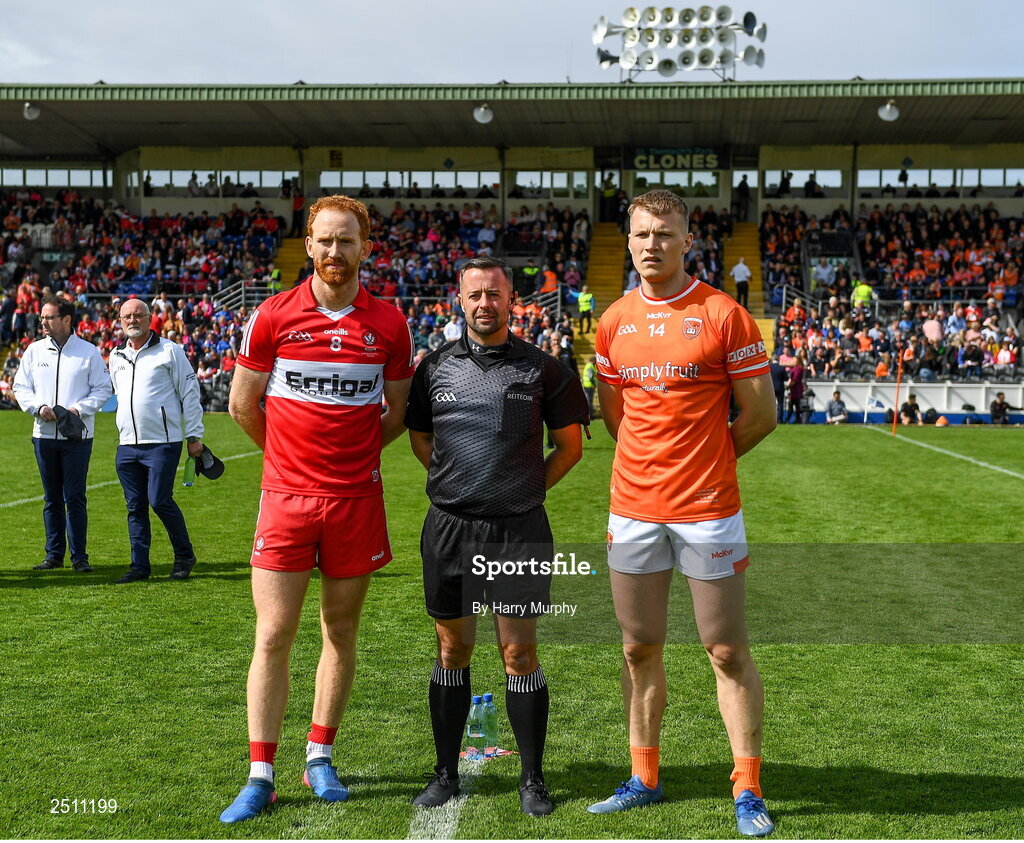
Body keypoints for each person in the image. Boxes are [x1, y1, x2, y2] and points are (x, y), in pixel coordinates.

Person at [221, 195, 414, 823]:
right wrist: (288, 464)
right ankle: (260, 773)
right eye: (325, 241)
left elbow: (396, 413)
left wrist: (350, 458)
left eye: (347, 241)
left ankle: (320, 755)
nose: (336, 252)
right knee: (273, 633)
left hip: (356, 501)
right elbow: (243, 406)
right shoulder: (272, 316)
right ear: (308, 246)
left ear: (365, 248)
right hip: (285, 501)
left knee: (341, 631)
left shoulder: (389, 323)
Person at [590, 190, 777, 837]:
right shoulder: (612, 321)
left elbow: (760, 414)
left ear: (687, 239)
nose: (651, 245)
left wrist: (707, 464)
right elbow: (616, 417)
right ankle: (643, 776)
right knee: (639, 645)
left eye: (664, 234)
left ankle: (747, 785)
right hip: (635, 509)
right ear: (631, 238)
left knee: (724, 649)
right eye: (641, 233)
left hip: (708, 510)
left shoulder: (723, 314)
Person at [403, 257, 588, 816]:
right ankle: (445, 773)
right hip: (451, 528)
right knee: (453, 648)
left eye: (495, 294)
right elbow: (420, 441)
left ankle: (533, 778)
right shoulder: (433, 368)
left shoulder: (543, 368)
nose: (485, 303)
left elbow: (571, 447)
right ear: (459, 300)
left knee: (519, 651)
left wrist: (524, 491)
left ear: (513, 301)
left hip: (518, 531)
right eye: (475, 294)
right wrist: (463, 485)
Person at [12, 295, 112, 573]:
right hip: (43, 436)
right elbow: (20, 387)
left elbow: (103, 389)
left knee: (75, 497)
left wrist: (79, 409)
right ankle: (53, 555)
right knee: (51, 498)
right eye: (41, 317)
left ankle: (80, 557)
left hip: (77, 437)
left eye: (49, 317)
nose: (42, 321)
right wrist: (37, 407)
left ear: (67, 320)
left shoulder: (88, 352)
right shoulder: (34, 351)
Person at [108, 298, 204, 583]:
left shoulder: (169, 351)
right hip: (126, 444)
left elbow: (189, 391)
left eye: (138, 315)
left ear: (150, 318)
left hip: (163, 441)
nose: (132, 320)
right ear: (120, 320)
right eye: (127, 316)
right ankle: (139, 566)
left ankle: (184, 555)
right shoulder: (116, 356)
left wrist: (194, 435)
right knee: (134, 506)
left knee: (160, 500)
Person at [582, 354, 598, 420]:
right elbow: (590, 376)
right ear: (594, 360)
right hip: (589, 386)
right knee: (589, 401)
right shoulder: (590, 366)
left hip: (586, 385)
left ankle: (588, 416)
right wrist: (594, 384)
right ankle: (589, 416)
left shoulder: (588, 365)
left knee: (588, 401)